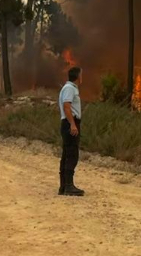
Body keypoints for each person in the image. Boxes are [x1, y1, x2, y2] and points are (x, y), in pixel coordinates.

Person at [58, 66, 84, 196]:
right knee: (72, 154)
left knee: (67, 154)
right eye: (81, 74)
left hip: (68, 123)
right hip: (70, 123)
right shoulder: (69, 88)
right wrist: (73, 124)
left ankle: (64, 186)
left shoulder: (70, 88)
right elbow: (66, 106)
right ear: (78, 76)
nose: (82, 77)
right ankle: (68, 186)